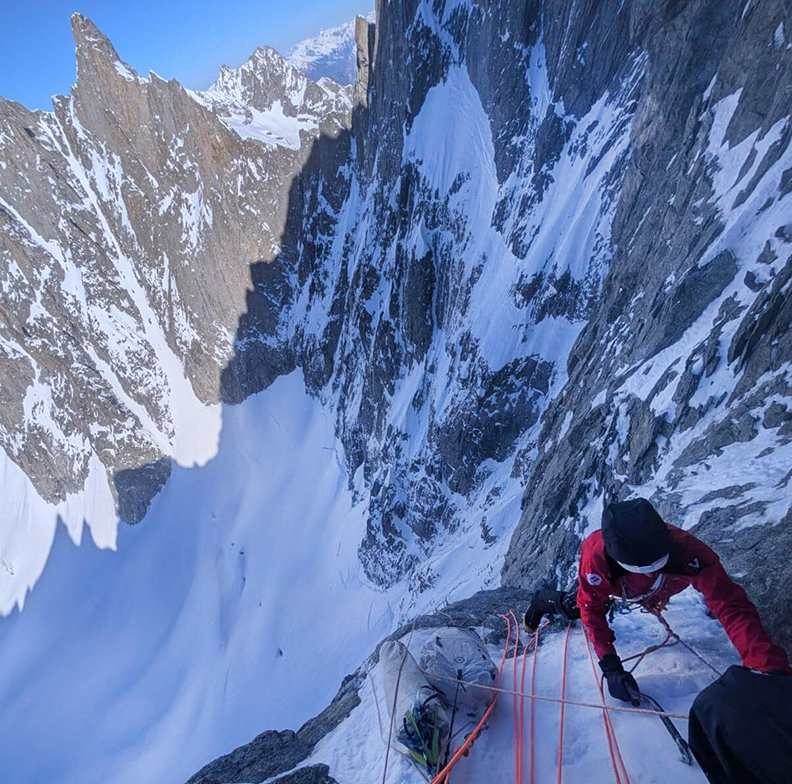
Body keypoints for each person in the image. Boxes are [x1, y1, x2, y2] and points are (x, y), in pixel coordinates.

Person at [523, 498, 790, 707]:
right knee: (575, 608)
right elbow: (591, 608)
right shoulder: (595, 555)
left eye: (657, 564)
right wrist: (611, 665)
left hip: (651, 590)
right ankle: (541, 601)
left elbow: (730, 604)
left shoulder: (688, 550)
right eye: (642, 568)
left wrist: (767, 667)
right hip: (615, 589)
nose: (650, 571)